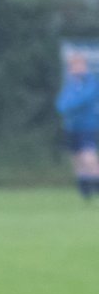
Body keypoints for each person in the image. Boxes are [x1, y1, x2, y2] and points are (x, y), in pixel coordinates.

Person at [55, 52, 99, 200]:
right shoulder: (71, 84)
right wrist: (67, 106)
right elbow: (61, 104)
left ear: (84, 66)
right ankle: (84, 189)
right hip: (71, 127)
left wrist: (70, 106)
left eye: (79, 65)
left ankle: (96, 183)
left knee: (89, 156)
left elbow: (84, 100)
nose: (76, 68)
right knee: (76, 157)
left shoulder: (91, 82)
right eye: (73, 66)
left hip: (87, 125)